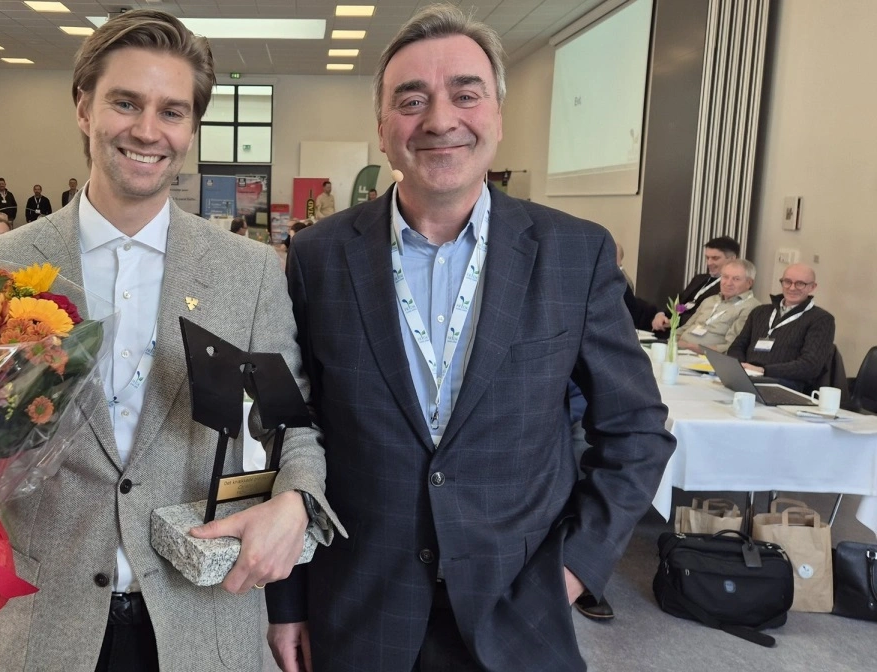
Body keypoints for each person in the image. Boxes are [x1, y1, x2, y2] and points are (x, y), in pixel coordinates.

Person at [268, 7, 674, 671]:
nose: (439, 119)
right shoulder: (318, 256)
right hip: (357, 606)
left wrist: (575, 568)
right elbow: (290, 429)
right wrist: (287, 600)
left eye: (465, 93)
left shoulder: (575, 253)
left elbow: (636, 431)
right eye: (411, 99)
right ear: (381, 128)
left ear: (498, 116)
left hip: (519, 611)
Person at [0, 10, 338, 671]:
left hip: (203, 617)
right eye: (125, 103)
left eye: (171, 111)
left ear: (191, 128)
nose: (146, 130)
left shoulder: (246, 272)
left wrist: (297, 500)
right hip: (46, 621)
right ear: (84, 108)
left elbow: (291, 426)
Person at [727, 262, 835, 393]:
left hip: (785, 384)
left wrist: (763, 371)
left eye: (800, 283)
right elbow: (737, 346)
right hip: (748, 376)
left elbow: (810, 366)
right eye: (787, 282)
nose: (792, 288)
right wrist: (740, 367)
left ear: (812, 287)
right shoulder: (760, 312)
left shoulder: (821, 319)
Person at [651, 236, 740, 331]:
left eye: (715, 258)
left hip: (692, 333)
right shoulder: (699, 279)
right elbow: (679, 301)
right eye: (707, 258)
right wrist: (661, 314)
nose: (709, 263)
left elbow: (711, 317)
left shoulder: (731, 287)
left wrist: (675, 321)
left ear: (732, 259)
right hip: (670, 326)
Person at [675, 258, 760, 354]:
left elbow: (731, 347)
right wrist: (672, 342)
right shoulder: (710, 300)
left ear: (749, 283)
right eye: (725, 277)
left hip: (707, 358)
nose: (728, 283)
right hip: (679, 351)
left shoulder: (751, 308)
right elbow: (685, 328)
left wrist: (692, 347)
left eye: (736, 279)